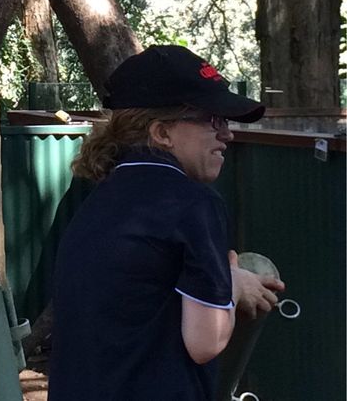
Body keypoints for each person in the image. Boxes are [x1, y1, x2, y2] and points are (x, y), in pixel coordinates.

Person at [47, 44, 286, 401]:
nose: (227, 134)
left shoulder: (101, 199)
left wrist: (227, 278)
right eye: (212, 120)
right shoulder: (192, 202)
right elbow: (206, 341)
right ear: (161, 132)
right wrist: (232, 287)